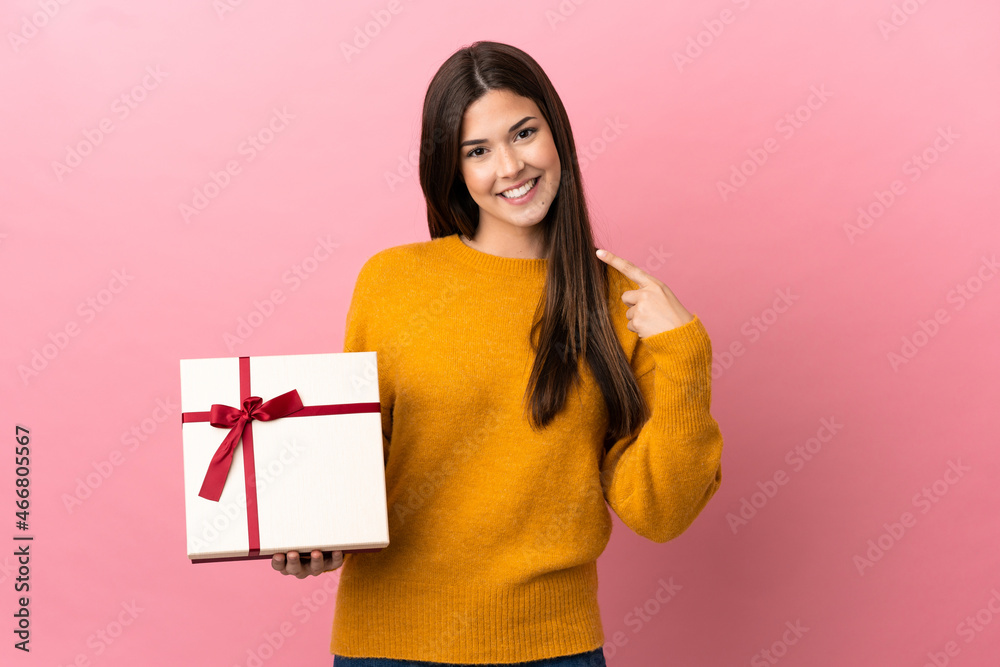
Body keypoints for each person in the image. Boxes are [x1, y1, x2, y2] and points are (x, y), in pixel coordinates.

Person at [271, 40, 725, 666]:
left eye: (523, 133)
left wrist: (686, 356)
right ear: (451, 169)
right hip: (390, 646)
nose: (509, 166)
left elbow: (663, 512)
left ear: (556, 133)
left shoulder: (617, 302)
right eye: (477, 151)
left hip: (553, 649)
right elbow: (356, 456)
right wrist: (312, 535)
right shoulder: (393, 282)